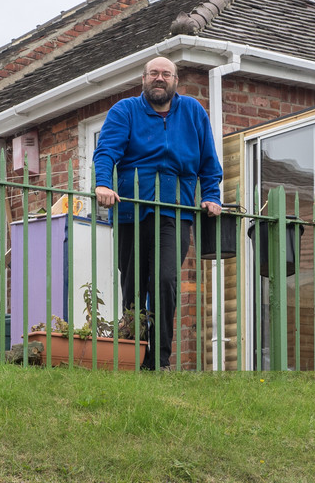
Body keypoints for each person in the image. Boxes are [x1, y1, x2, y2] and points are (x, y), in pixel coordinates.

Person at [94, 56, 222, 370]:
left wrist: (211, 196)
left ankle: (159, 359)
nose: (160, 78)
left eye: (166, 73)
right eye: (154, 73)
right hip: (131, 211)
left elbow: (208, 162)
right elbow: (106, 150)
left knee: (165, 279)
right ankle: (135, 352)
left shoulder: (193, 112)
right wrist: (102, 184)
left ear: (176, 80)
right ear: (144, 79)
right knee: (134, 284)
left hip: (175, 211)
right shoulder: (124, 111)